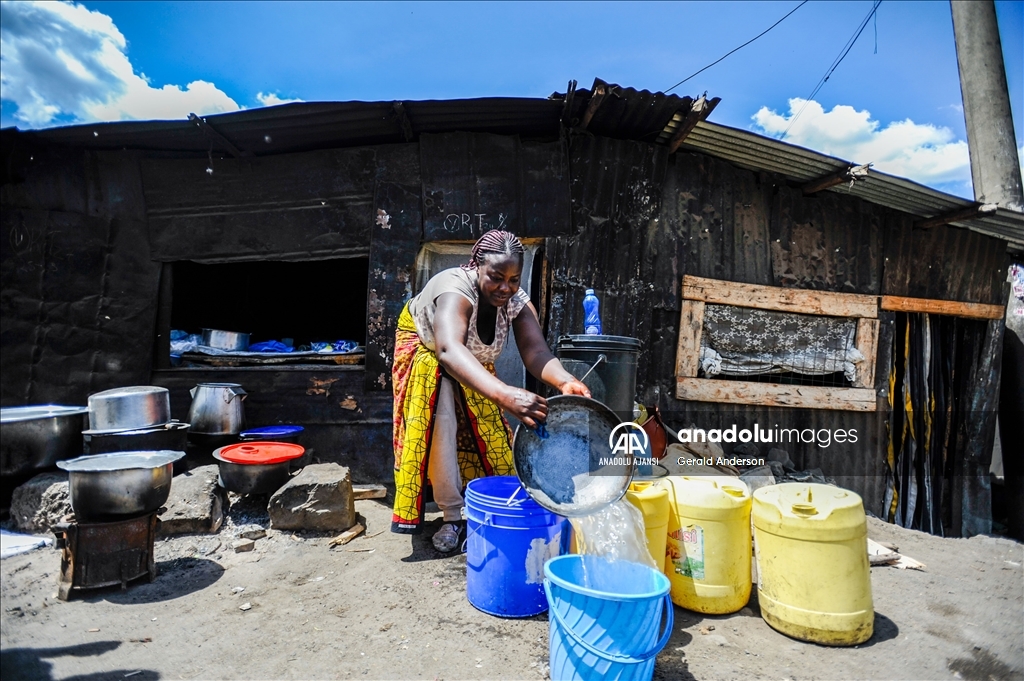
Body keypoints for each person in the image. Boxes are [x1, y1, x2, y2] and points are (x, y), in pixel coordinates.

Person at [391, 230, 591, 551]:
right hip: (429, 349)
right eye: (497, 277)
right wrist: (504, 394)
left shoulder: (516, 301)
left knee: (490, 433)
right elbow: (448, 350)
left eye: (514, 279)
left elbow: (536, 351)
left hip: (470, 358)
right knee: (440, 422)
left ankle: (485, 504)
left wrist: (565, 381)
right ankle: (452, 515)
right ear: (476, 266)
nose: (505, 288)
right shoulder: (454, 289)